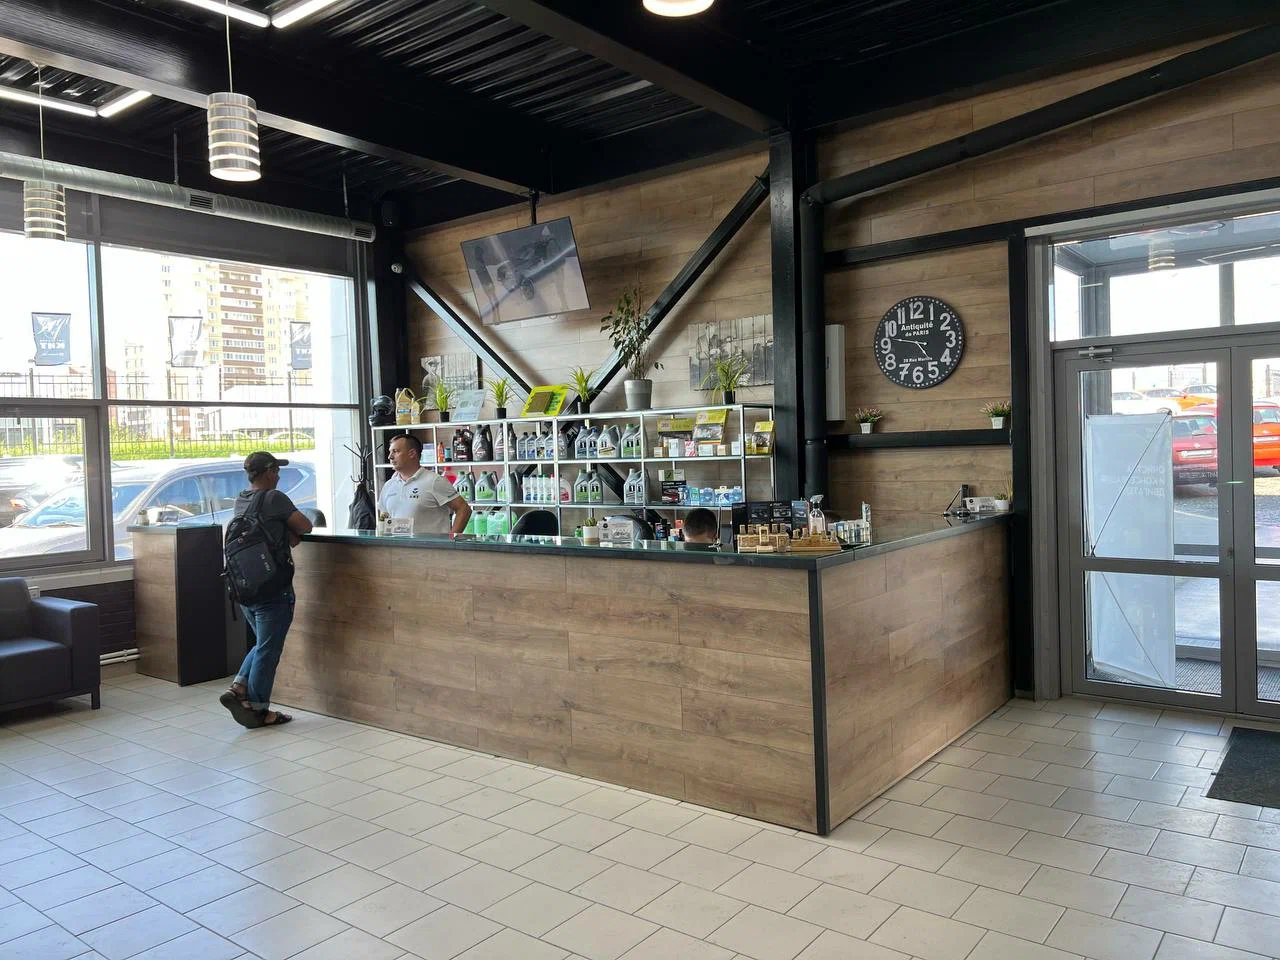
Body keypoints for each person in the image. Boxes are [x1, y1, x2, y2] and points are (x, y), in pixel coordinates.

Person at [220, 451, 312, 729]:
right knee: (268, 649)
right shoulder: (274, 498)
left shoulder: (241, 499)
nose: (279, 476)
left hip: (246, 587)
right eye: (277, 471)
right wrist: (289, 532)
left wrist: (284, 532)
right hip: (274, 587)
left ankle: (239, 687)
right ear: (269, 471)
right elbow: (305, 526)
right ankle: (259, 709)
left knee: (262, 643)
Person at [379, 434, 472, 536]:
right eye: (390, 452)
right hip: (398, 545)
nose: (390, 457)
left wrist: (451, 539)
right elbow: (384, 517)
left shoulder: (434, 481)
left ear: (412, 453)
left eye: (395, 451)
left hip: (430, 546)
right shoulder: (389, 485)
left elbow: (464, 509)